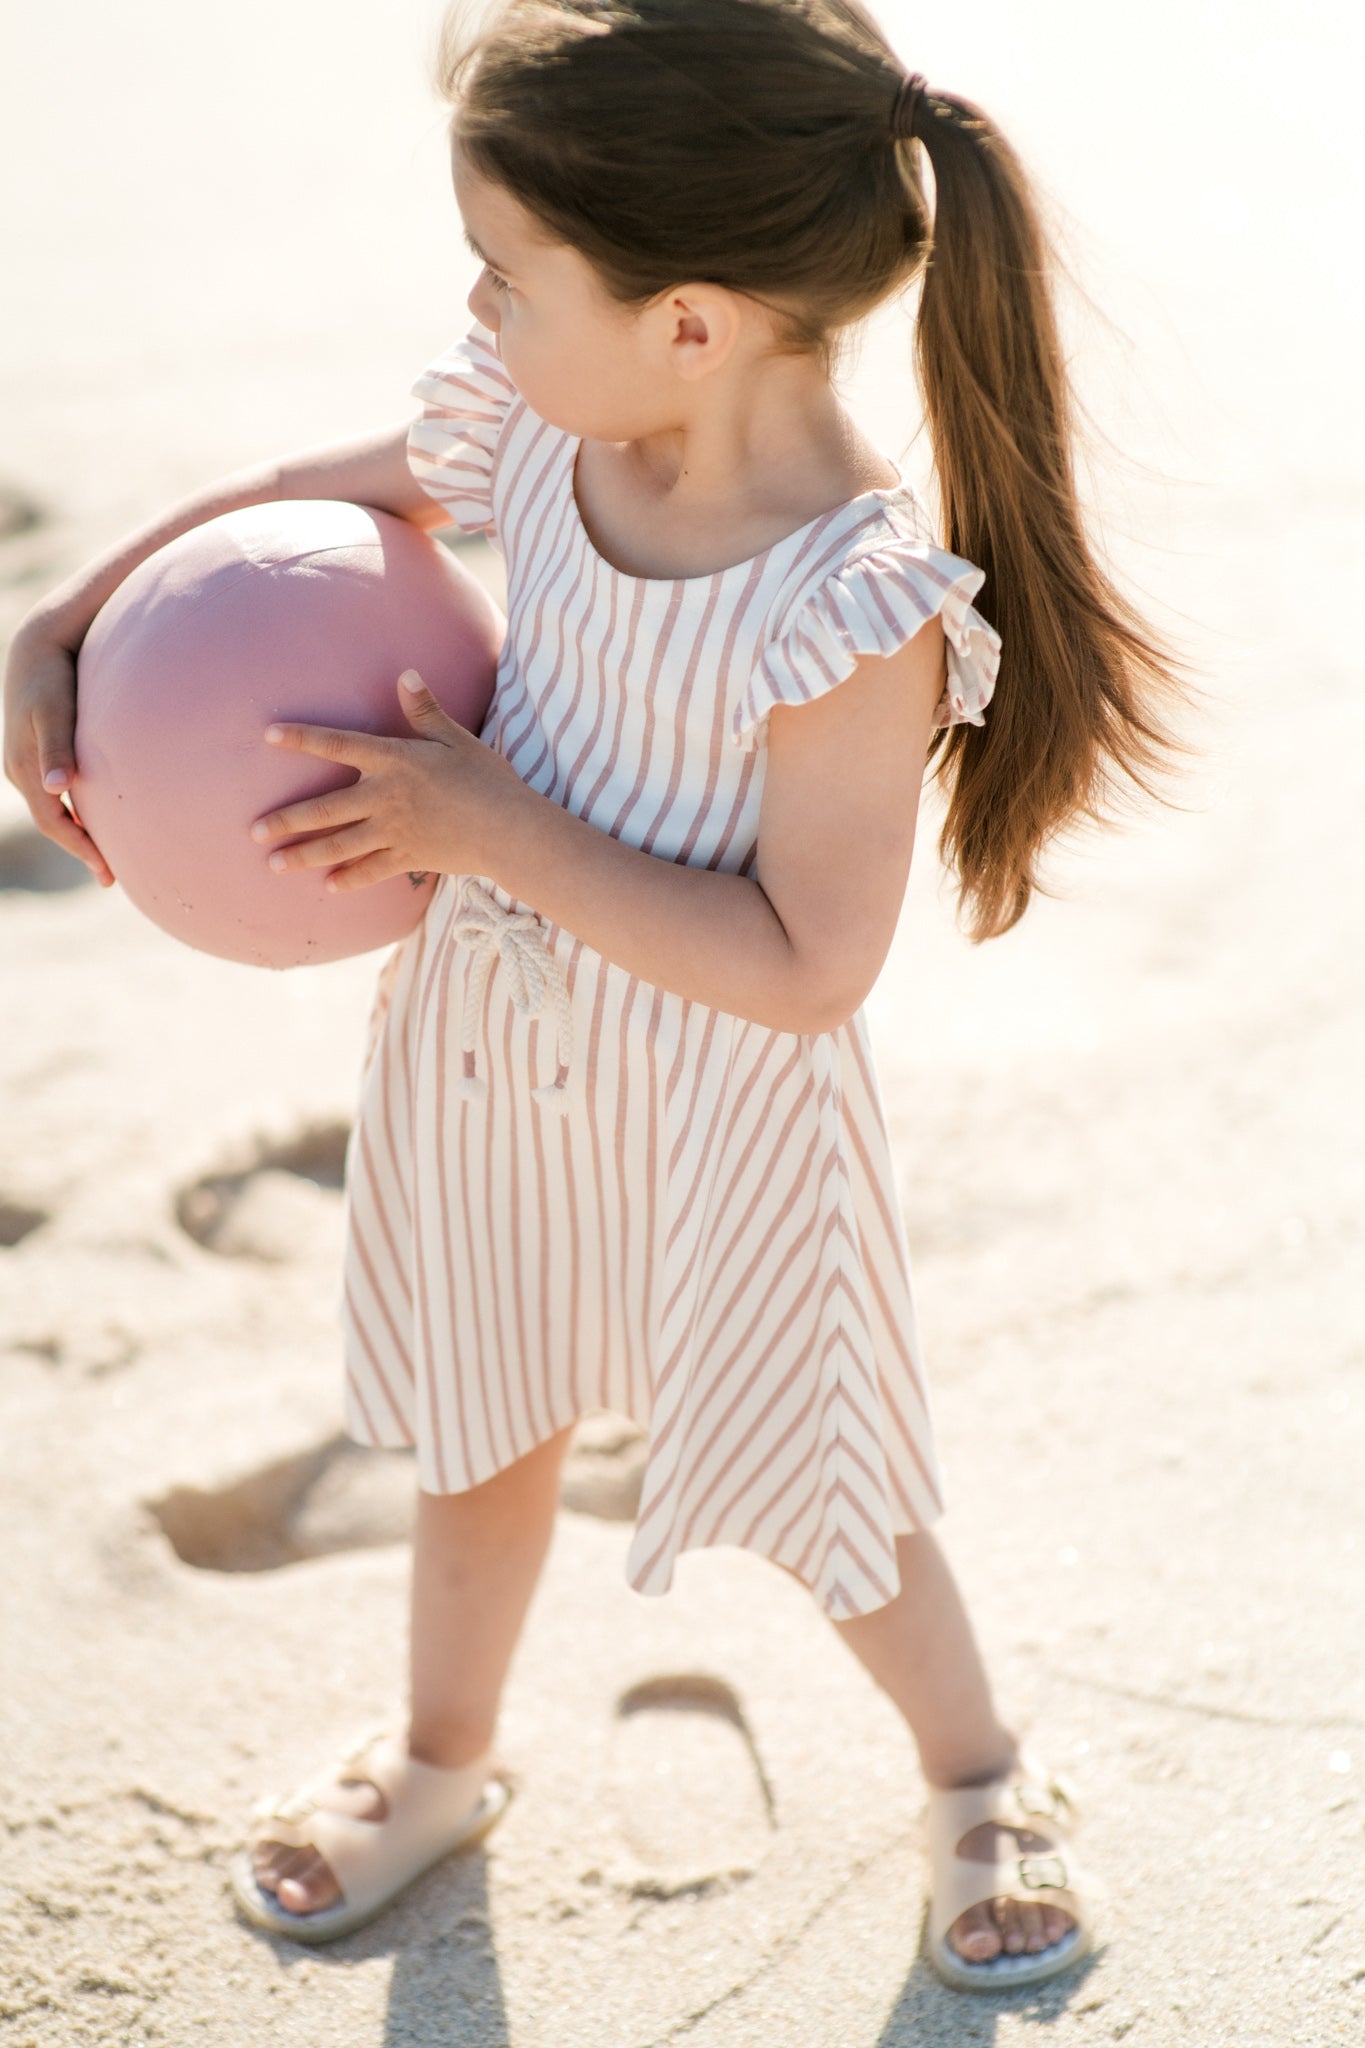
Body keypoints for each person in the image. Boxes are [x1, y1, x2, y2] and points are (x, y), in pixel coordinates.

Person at [2, 0, 1185, 1991]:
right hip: (491, 1065)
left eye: (505, 272)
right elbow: (299, 495)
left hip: (721, 1120)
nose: (475, 310)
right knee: (482, 1429)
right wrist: (74, 608)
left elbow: (805, 966)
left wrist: (491, 822)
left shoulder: (845, 606)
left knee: (820, 1471)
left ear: (689, 323)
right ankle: (440, 1755)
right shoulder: (550, 423)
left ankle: (976, 1767)